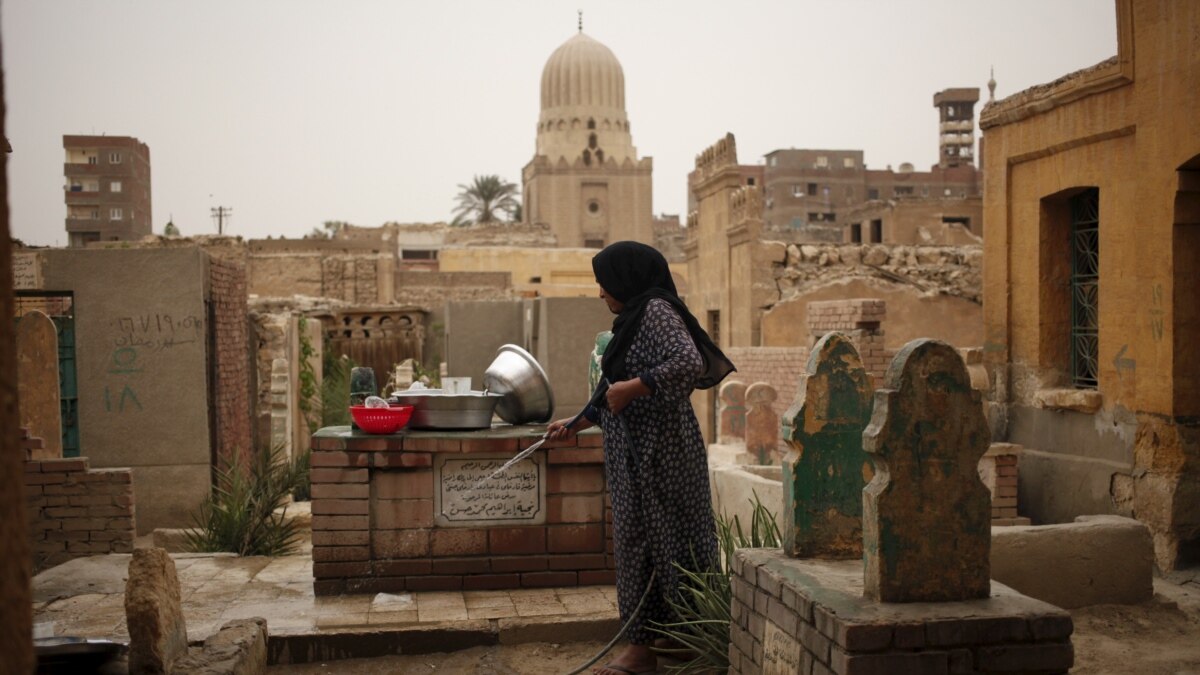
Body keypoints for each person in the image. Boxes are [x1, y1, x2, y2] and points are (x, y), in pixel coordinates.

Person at [547, 241, 735, 675]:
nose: (600, 293)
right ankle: (677, 637)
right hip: (638, 454)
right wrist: (574, 424)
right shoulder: (633, 319)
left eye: (604, 283)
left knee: (660, 543)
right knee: (650, 544)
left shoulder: (654, 312)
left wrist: (636, 387)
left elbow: (687, 361)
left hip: (662, 455)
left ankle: (644, 650)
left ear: (627, 279)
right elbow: (610, 390)